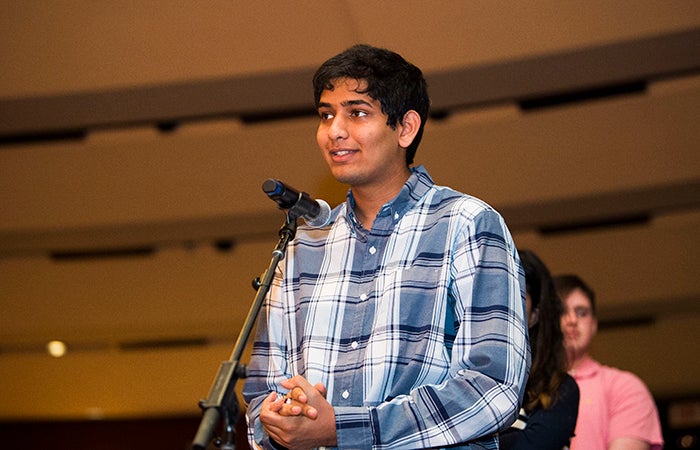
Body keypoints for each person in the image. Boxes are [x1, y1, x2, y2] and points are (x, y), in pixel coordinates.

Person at [242, 44, 530, 450]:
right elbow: (260, 396)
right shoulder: (303, 247)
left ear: (406, 128)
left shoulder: (466, 224)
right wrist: (283, 419)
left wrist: (343, 429)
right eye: (326, 115)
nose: (335, 131)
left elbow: (493, 387)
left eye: (357, 113)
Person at [554, 274, 664, 450]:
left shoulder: (625, 387)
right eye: (562, 311)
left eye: (582, 312)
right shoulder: (527, 386)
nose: (572, 320)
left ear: (594, 324)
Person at [499, 250, 579, 450]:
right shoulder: (457, 379)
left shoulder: (559, 389)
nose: (502, 304)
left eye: (517, 294)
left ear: (535, 315)